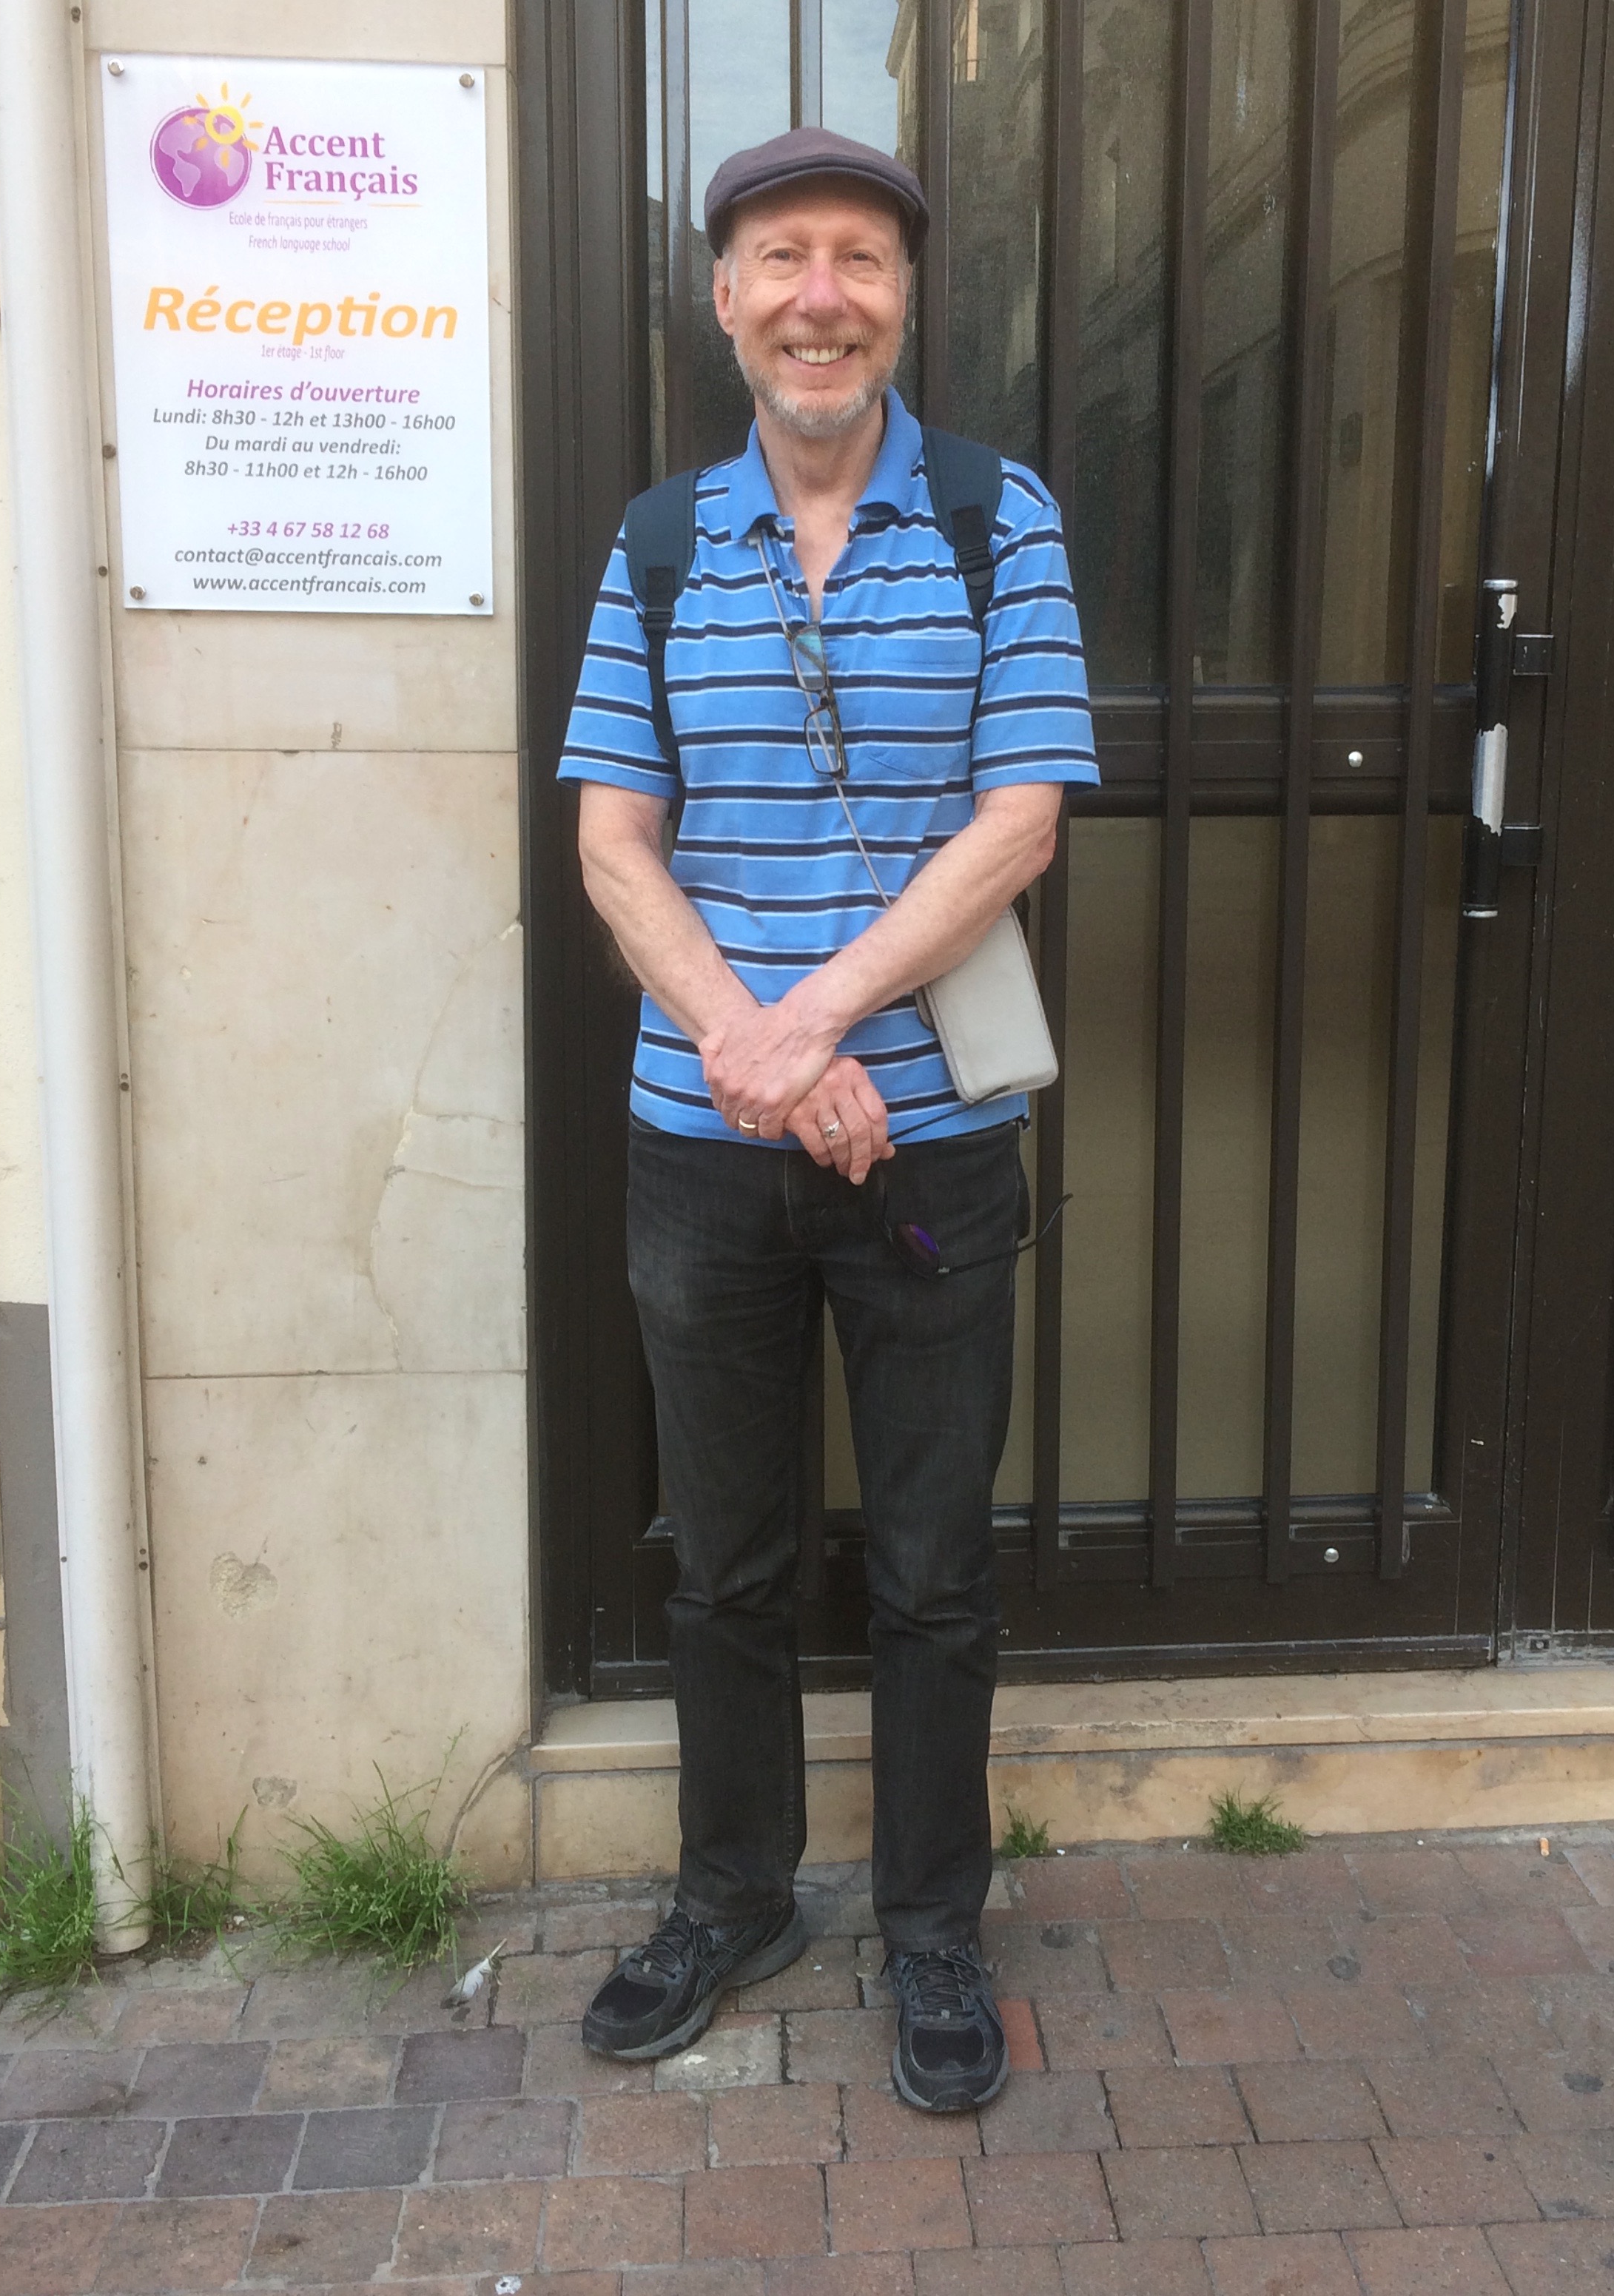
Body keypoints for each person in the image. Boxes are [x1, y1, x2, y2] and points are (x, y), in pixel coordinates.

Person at [557, 125, 1098, 2112]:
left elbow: (1017, 821)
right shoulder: (661, 542)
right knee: (728, 1560)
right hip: (705, 1155)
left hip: (930, 1146)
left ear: (904, 300)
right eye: (780, 257)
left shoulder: (994, 519)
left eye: (858, 261)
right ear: (724, 298)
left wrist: (818, 1026)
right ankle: (735, 1895)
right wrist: (760, 1052)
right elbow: (616, 844)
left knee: (938, 1565)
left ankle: (935, 1928)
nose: (819, 295)